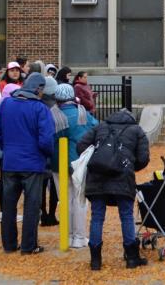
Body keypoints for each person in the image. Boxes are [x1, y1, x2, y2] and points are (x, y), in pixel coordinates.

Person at [0, 73, 55, 254]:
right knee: (31, 206)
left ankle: (9, 245)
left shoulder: (7, 104)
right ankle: (28, 245)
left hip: (10, 162)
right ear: (39, 89)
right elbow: (46, 140)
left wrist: (7, 147)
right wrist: (46, 155)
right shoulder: (40, 108)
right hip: (33, 163)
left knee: (8, 206)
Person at [77, 107, 150, 271]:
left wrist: (96, 158)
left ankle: (95, 260)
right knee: (126, 216)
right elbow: (143, 158)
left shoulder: (101, 126)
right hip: (123, 177)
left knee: (97, 217)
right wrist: (130, 165)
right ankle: (131, 258)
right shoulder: (137, 130)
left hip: (97, 176)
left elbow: (81, 145)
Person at [51, 83, 98, 248]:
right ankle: (79, 237)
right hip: (79, 162)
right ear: (72, 97)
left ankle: (67, 235)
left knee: (64, 199)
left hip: (58, 163)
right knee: (80, 200)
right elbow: (96, 128)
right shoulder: (82, 113)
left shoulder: (52, 115)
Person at [39, 77, 60, 227]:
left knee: (40, 185)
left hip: (40, 151)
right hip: (55, 149)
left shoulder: (37, 105)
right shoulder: (57, 108)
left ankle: (43, 214)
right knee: (54, 186)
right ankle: (52, 214)